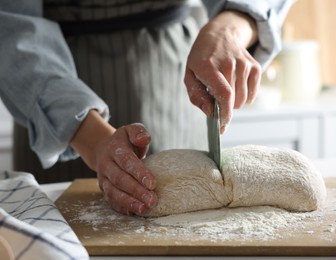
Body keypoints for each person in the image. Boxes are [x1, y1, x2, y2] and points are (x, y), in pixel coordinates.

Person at [0, 0, 291, 215]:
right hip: (47, 90)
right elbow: (8, 23)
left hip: (174, 70)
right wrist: (92, 139)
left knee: (188, 213)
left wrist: (232, 24)